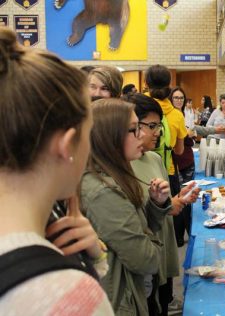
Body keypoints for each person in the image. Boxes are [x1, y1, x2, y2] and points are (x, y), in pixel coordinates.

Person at [0, 27, 113, 314]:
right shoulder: (67, 294)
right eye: (89, 134)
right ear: (66, 145)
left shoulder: (54, 229)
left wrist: (90, 261)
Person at [81, 98, 172, 315]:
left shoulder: (117, 175)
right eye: (134, 130)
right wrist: (152, 241)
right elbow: (146, 260)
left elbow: (136, 228)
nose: (142, 135)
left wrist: (157, 206)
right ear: (109, 138)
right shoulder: (103, 192)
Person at [125, 93, 199, 316]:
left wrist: (178, 200)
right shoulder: (120, 169)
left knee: (163, 304)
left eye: (160, 125)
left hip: (162, 253)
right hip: (144, 262)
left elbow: (164, 208)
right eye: (152, 125)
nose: (158, 132)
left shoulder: (154, 159)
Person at [145, 65, 188, 248]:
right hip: (166, 171)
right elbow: (179, 151)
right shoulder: (176, 115)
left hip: (140, 169)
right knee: (170, 211)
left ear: (146, 83)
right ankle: (173, 246)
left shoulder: (138, 107)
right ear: (170, 85)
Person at [169, 87, 195, 248]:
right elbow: (185, 138)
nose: (178, 100)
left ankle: (189, 233)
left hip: (187, 161)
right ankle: (178, 235)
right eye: (176, 97)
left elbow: (188, 139)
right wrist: (188, 135)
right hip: (174, 163)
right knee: (178, 199)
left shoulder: (183, 114)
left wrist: (189, 136)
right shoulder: (170, 116)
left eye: (181, 98)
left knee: (188, 199)